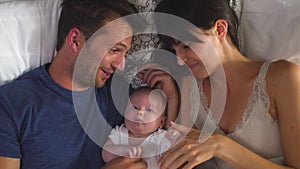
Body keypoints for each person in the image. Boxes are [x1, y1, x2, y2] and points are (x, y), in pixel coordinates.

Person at [142, 0, 300, 168]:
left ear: (220, 29)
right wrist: (173, 96)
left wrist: (221, 146)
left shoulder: (282, 77)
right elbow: (179, 158)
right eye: (175, 51)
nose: (180, 61)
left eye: (186, 46)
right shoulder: (190, 86)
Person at [0, 0, 150, 168]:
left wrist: (173, 94)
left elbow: (164, 147)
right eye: (115, 50)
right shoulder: (10, 105)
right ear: (75, 40)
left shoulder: (122, 95)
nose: (120, 65)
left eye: (125, 53)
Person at [102, 86, 178, 169]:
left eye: (149, 110)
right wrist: (121, 150)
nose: (140, 112)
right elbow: (105, 153)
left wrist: (175, 139)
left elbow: (173, 158)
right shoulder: (120, 132)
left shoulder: (161, 138)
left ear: (161, 122)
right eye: (135, 107)